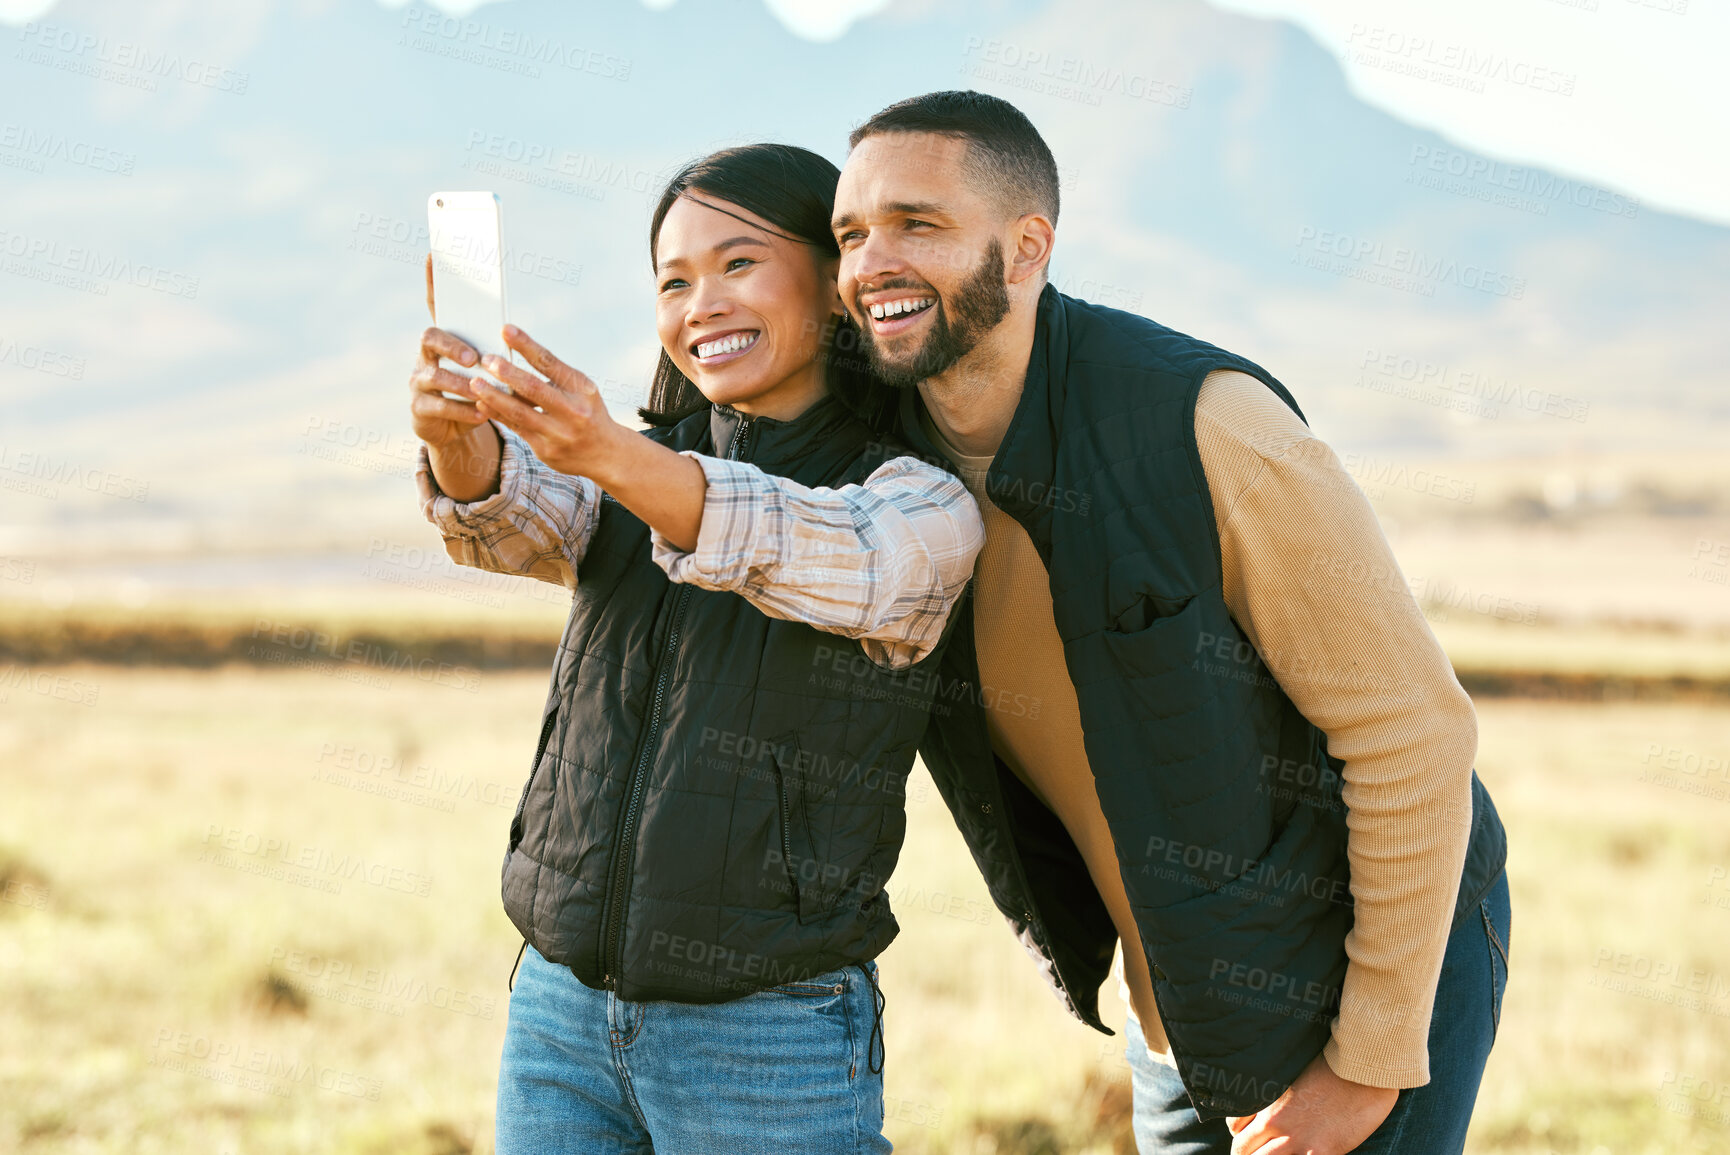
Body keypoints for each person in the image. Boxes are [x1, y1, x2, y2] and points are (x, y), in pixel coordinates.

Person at [828, 91, 1511, 1155]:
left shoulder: (1205, 425)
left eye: (916, 223)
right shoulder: (879, 459)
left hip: (1361, 972)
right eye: (849, 234)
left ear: (1025, 247)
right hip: (1183, 1006)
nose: (871, 261)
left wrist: (1364, 1068)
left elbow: (1413, 735)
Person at [408, 143, 984, 1155]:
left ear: (836, 282)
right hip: (558, 1011)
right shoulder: (634, 476)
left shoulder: (918, 504)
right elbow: (510, 516)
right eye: (673, 281)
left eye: (737, 264)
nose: (699, 304)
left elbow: (803, 544)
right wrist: (462, 438)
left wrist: (618, 458)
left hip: (769, 1038)